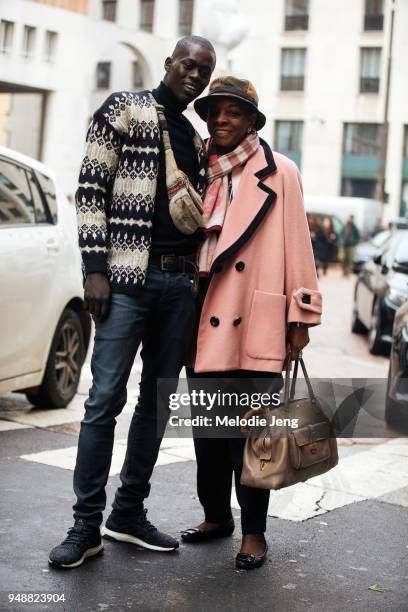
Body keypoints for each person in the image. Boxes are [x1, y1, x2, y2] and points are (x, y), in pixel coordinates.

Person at [48, 36, 216, 569]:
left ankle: (128, 514)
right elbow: (91, 188)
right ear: (168, 64)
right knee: (103, 402)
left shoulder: (196, 137)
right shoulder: (125, 109)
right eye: (188, 64)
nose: (195, 74)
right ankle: (85, 526)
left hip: (178, 287)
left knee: (156, 403)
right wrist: (94, 268)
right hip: (125, 281)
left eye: (204, 70)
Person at [180, 77, 322, 570]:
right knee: (209, 437)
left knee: (255, 437)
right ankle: (216, 517)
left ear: (251, 123)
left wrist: (299, 316)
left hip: (256, 320)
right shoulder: (197, 170)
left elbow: (298, 245)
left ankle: (254, 533)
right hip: (201, 319)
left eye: (232, 113)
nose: (220, 119)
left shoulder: (279, 171)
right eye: (214, 111)